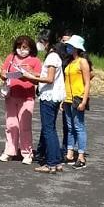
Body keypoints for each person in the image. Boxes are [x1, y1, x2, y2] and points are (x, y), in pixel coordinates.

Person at [21, 30, 65, 174]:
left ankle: (51, 163)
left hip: (49, 96)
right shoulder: (55, 56)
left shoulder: (52, 57)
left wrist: (30, 78)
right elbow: (47, 75)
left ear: (45, 41)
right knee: (50, 129)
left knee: (48, 130)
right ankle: (56, 161)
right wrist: (33, 73)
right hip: (53, 96)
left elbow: (49, 79)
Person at [0, 36, 41, 164]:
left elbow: (40, 76)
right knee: (11, 124)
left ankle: (27, 152)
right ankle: (9, 151)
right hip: (12, 94)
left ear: (30, 48)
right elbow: (2, 72)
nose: (21, 50)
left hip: (27, 96)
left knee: (25, 125)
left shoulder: (35, 60)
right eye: (19, 47)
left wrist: (29, 75)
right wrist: (4, 75)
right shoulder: (10, 57)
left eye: (24, 47)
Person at [62, 34, 91, 168]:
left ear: (76, 47)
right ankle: (69, 154)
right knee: (70, 127)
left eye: (70, 46)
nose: (68, 47)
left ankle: (81, 156)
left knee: (79, 127)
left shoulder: (82, 62)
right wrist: (63, 99)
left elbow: (87, 82)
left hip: (78, 97)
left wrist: (84, 101)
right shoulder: (70, 62)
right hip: (68, 98)